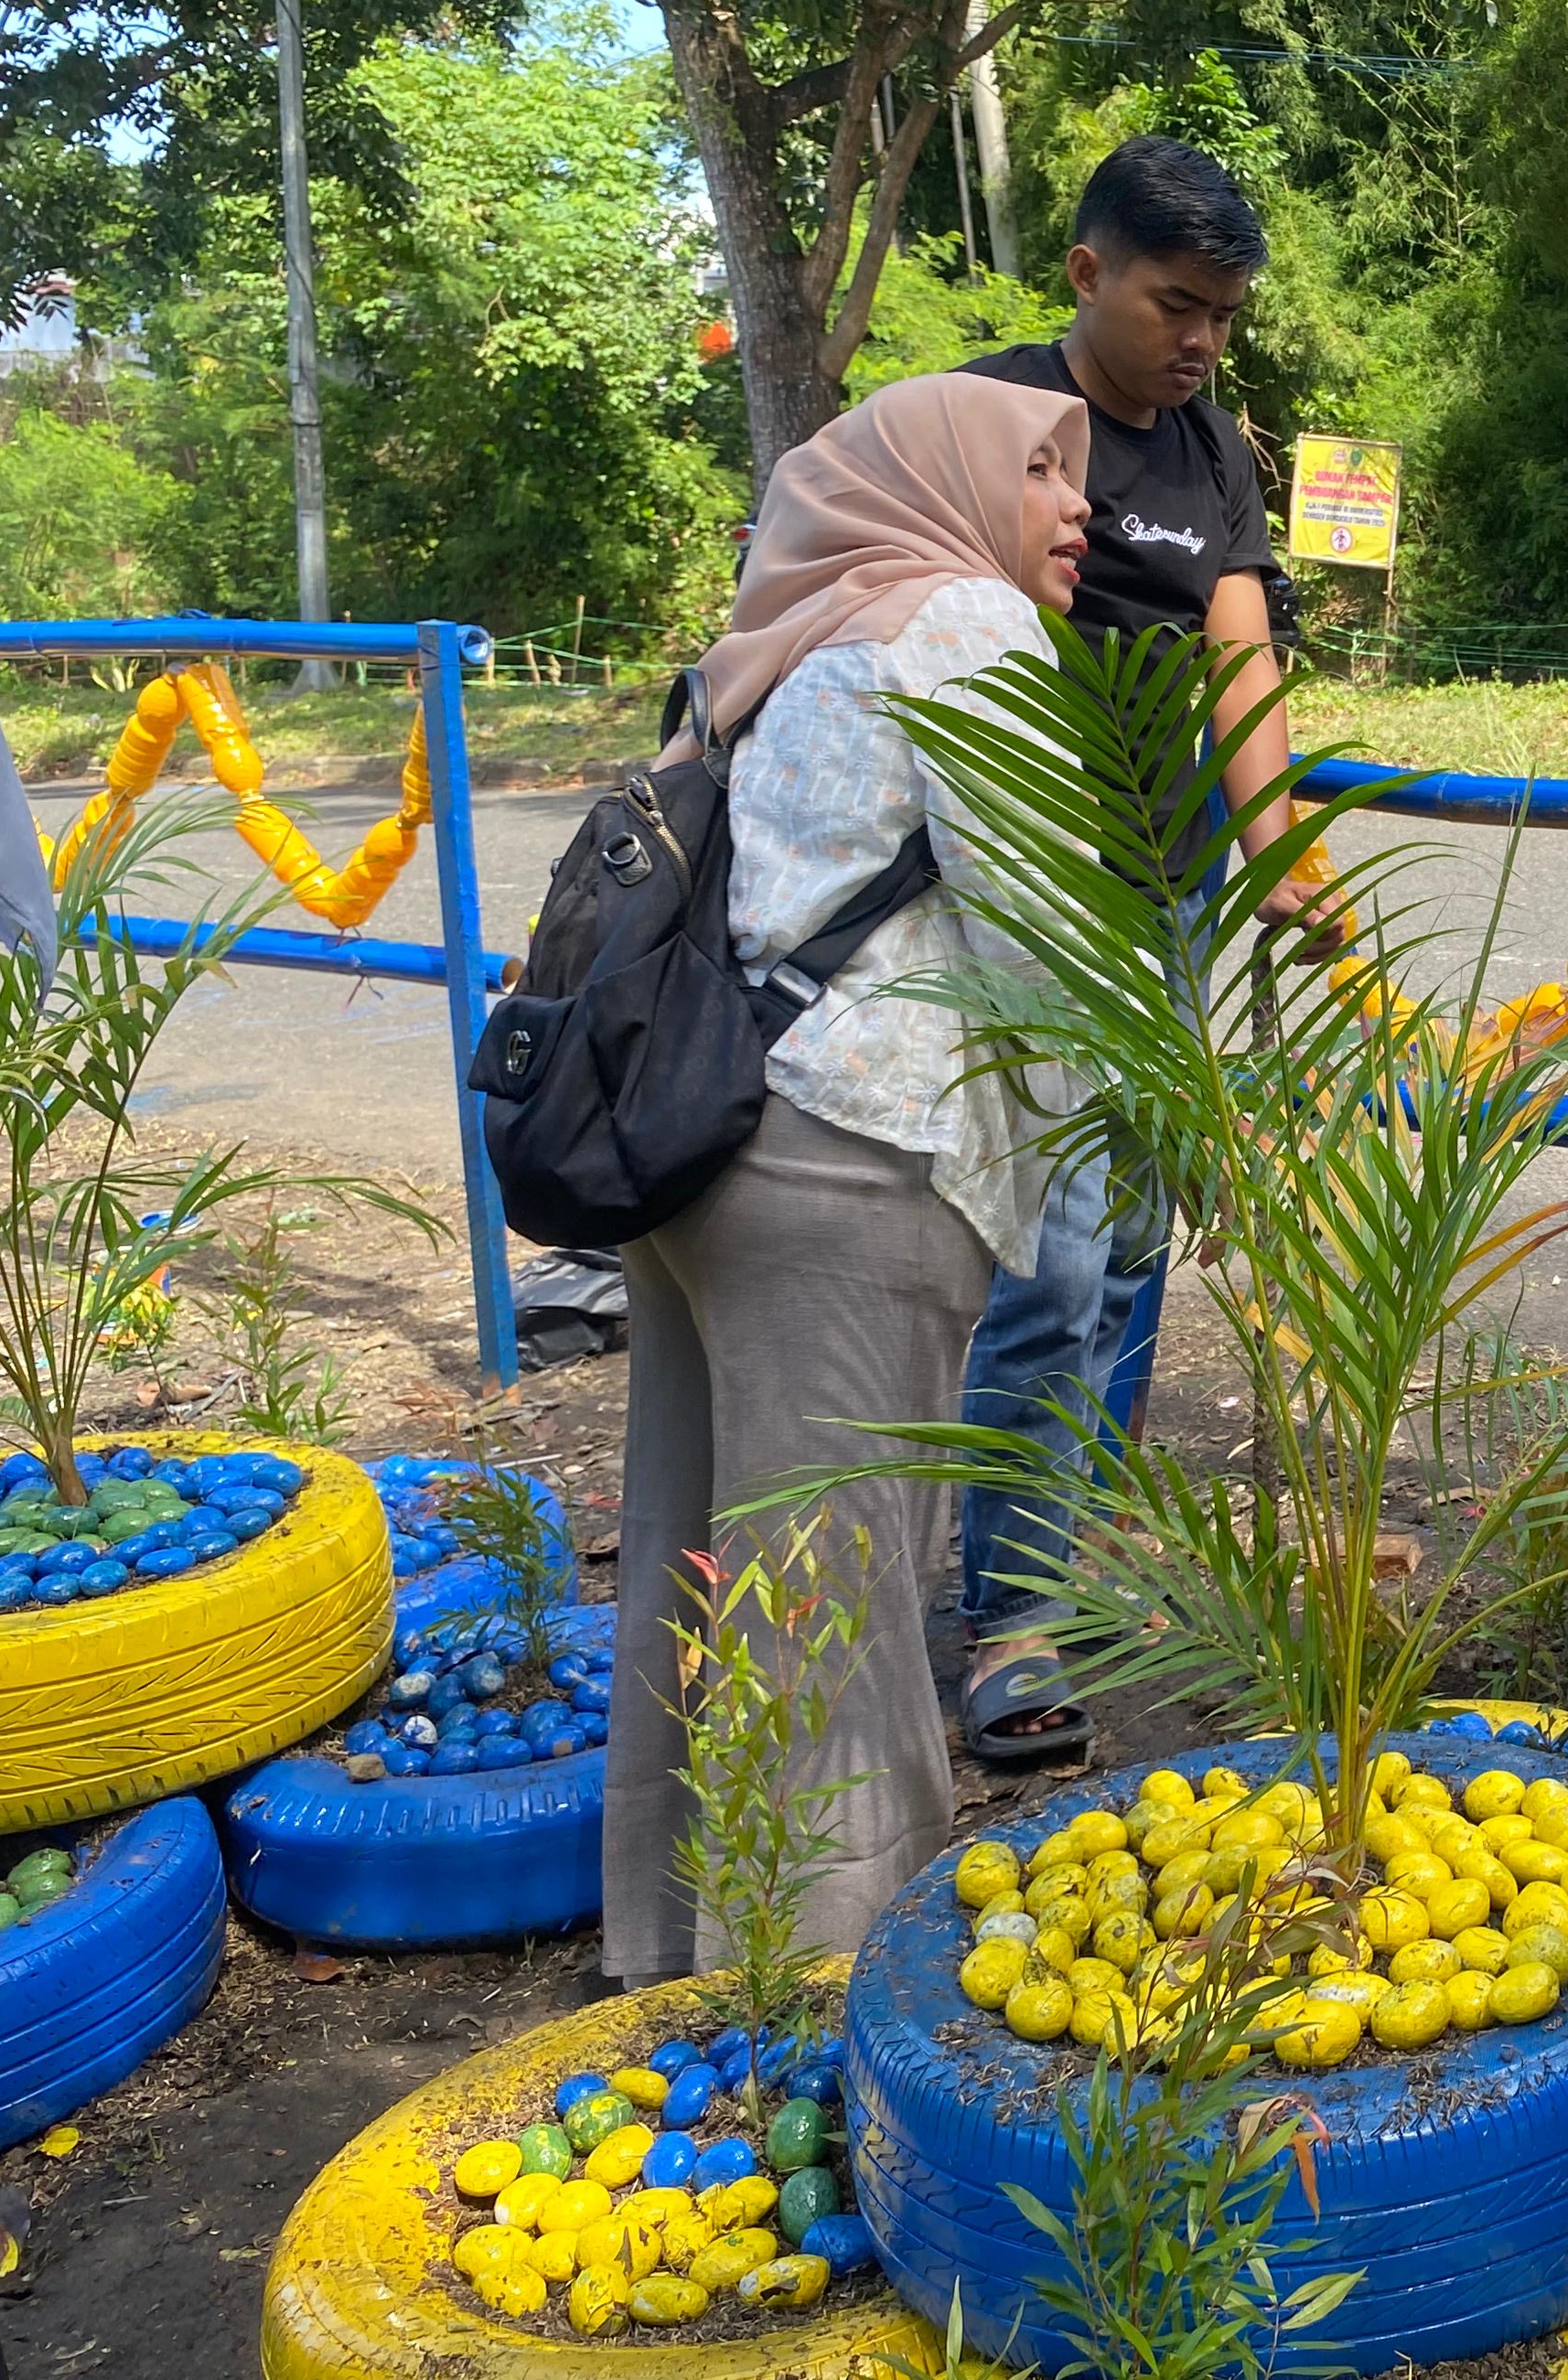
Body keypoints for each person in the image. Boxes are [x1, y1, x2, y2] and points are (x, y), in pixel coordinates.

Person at [604, 370, 1094, 1985]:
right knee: (835, 1601)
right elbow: (1048, 936)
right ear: (946, 483)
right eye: (1040, 468)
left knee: (700, 1562)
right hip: (854, 1165)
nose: (1077, 502)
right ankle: (824, 1992)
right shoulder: (964, 622)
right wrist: (1148, 1127)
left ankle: (680, 1950)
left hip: (706, 1147)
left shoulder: (784, 636)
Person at [954, 135, 1335, 1767]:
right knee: (1046, 1264)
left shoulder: (1209, 445)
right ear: (1086, 272)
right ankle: (1008, 1617)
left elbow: (1239, 658)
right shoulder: (986, 415)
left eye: (1225, 316)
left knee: (1123, 1249)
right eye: (1177, 305)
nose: (1202, 341)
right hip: (1025, 894)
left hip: (1164, 898)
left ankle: (1070, 1542)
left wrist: (1278, 850)